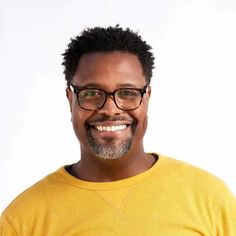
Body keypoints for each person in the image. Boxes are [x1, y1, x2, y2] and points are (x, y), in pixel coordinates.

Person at [0, 26, 235, 235]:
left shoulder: (209, 198)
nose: (111, 109)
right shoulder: (24, 220)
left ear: (147, 98)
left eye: (128, 93)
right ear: (70, 99)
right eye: (92, 93)